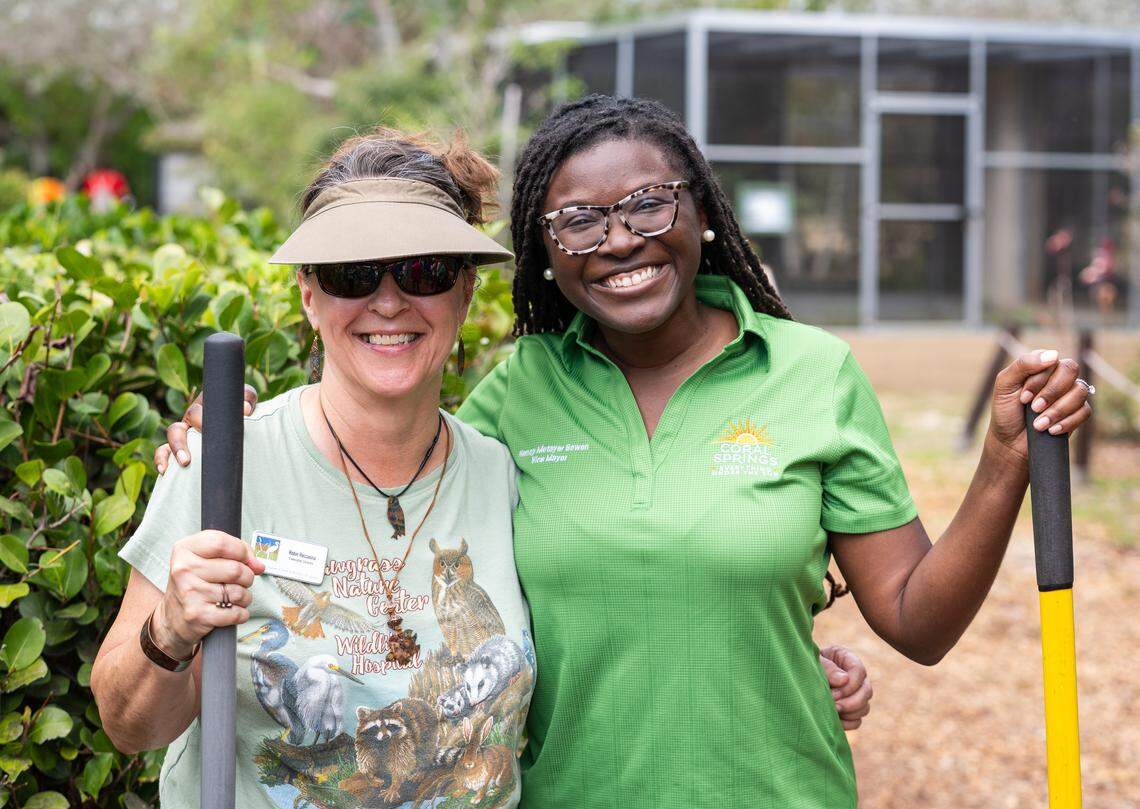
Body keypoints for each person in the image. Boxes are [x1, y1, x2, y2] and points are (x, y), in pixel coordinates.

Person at [160, 96, 1094, 807]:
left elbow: (915, 620)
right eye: (578, 221)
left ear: (702, 212)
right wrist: (226, 439)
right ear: (544, 251)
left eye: (648, 204)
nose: (619, 242)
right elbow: (388, 462)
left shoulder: (815, 375)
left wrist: (1002, 465)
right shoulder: (514, 400)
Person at [101, 128, 871, 809]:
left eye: (426, 269)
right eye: (352, 275)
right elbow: (128, 724)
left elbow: (624, 581)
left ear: (466, 293)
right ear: (308, 296)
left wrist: (787, 665)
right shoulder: (227, 467)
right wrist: (170, 632)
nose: (390, 300)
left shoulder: (503, 468)